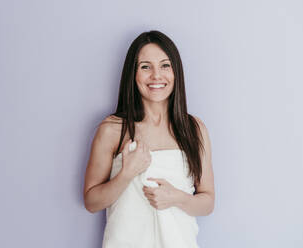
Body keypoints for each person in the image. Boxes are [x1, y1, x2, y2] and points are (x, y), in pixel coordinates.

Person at [83, 30, 215, 248]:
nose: (156, 76)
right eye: (145, 66)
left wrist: (176, 197)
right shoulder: (113, 129)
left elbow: (208, 201)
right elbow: (91, 201)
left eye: (165, 65)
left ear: (176, 72)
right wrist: (126, 174)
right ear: (133, 74)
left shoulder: (195, 129)